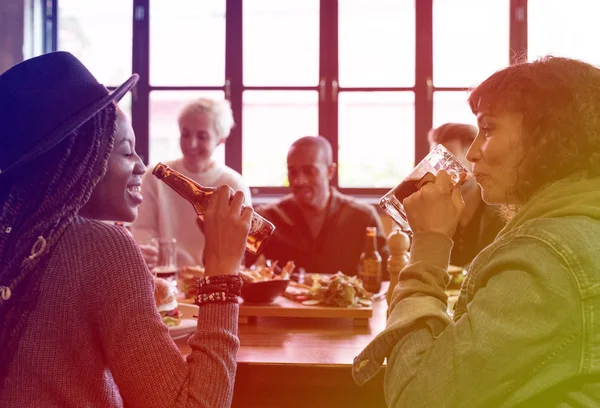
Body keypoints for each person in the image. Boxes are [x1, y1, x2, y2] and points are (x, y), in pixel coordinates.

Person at [0, 52, 252, 407]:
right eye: (126, 151)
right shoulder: (101, 248)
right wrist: (223, 272)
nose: (141, 165)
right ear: (81, 161)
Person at [353, 56, 600, 406]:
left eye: (488, 129)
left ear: (547, 137)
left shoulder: (546, 259)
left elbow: (417, 399)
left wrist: (427, 246)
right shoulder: (580, 226)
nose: (471, 154)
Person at [130, 97, 251, 268]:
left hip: (212, 278)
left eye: (202, 137)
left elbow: (238, 246)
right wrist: (147, 250)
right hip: (164, 274)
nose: (191, 144)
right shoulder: (155, 176)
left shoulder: (233, 184)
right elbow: (142, 230)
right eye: (185, 134)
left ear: (220, 140)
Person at [250, 136, 389, 276]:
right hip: (283, 298)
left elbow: (388, 275)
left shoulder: (363, 217)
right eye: (292, 172)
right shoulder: (268, 218)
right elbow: (237, 265)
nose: (299, 181)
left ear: (330, 172)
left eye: (309, 171)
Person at [428, 123, 504, 267]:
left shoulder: (502, 212)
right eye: (436, 162)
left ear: (474, 159)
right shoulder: (432, 210)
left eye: (448, 160)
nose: (440, 171)